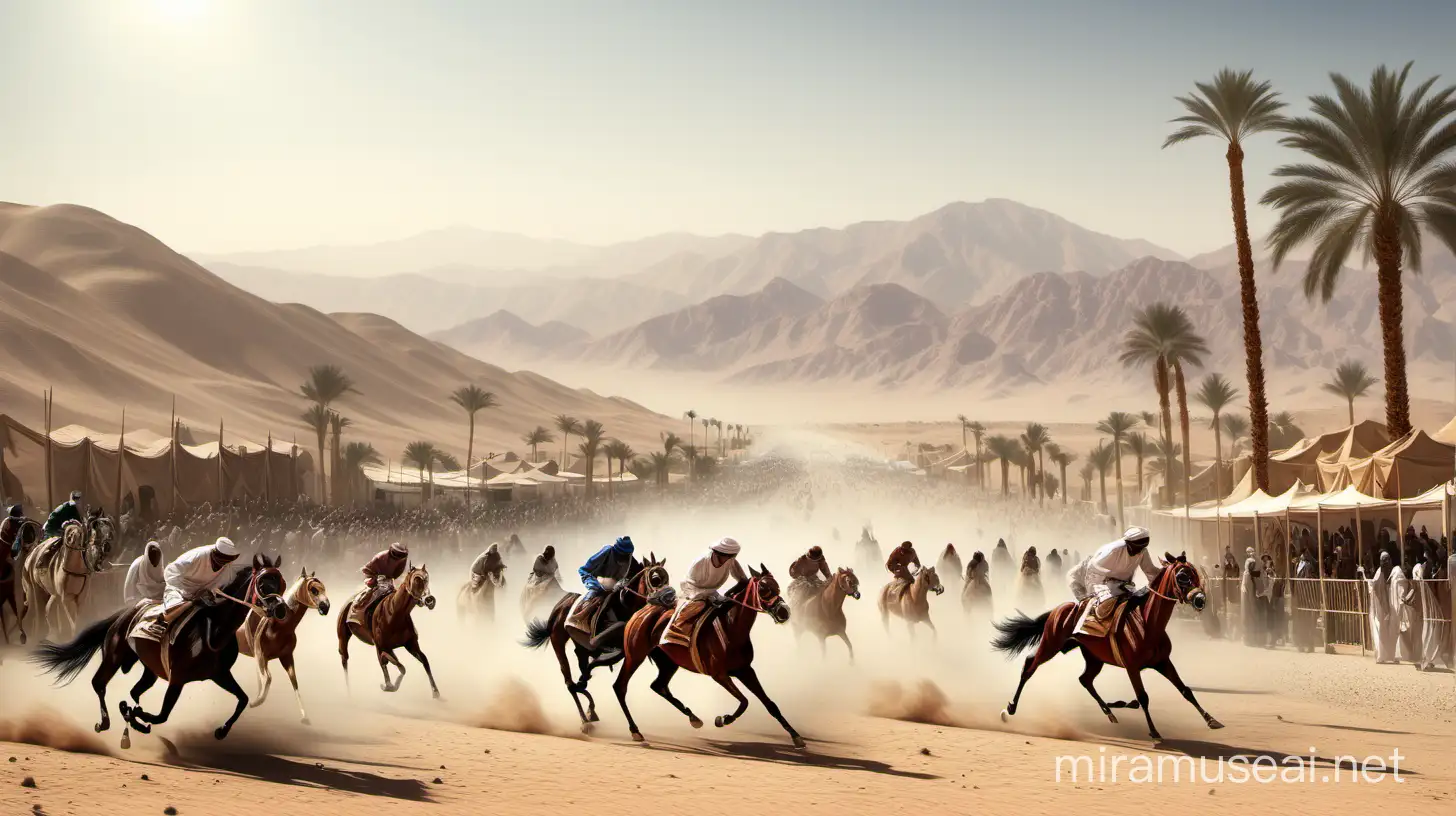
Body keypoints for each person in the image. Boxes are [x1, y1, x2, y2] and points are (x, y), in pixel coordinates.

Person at [139, 537, 240, 639]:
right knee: (175, 606)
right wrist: (188, 595)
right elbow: (171, 571)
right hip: (180, 588)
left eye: (226, 561)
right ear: (215, 554)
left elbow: (224, 582)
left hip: (204, 593)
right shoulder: (197, 556)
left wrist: (209, 592)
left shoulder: (227, 565)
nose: (223, 564)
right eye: (222, 560)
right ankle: (159, 623)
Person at [1070, 526, 1160, 636]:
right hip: (1103, 584)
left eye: (1142, 547)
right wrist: (1093, 593)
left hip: (1126, 586)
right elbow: (1093, 571)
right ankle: (1089, 629)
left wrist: (1166, 576)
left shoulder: (1142, 551)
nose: (1139, 551)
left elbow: (1150, 570)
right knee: (1104, 609)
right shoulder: (1113, 550)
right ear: (1128, 543)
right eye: (1137, 547)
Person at [666, 537, 749, 646]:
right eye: (728, 556)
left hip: (711, 593)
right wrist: (708, 595)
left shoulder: (730, 561)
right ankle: (677, 629)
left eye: (732, 556)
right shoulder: (701, 561)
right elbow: (689, 583)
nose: (730, 559)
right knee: (699, 605)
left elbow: (742, 580)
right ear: (719, 553)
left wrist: (731, 594)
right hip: (692, 590)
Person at [571, 536, 641, 656]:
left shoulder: (629, 557)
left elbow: (635, 573)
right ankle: (579, 618)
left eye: (626, 556)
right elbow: (585, 569)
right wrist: (596, 585)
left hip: (614, 586)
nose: (624, 559)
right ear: (616, 551)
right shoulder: (607, 551)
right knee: (596, 595)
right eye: (622, 555)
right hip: (596, 581)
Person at [350, 542, 408, 629]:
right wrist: (375, 578)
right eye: (397, 555)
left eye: (401, 556)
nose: (398, 558)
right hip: (373, 576)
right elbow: (367, 569)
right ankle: (360, 609)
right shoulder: (380, 557)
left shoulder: (403, 560)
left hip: (389, 579)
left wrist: (390, 579)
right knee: (375, 593)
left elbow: (398, 573)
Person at [1369, 551, 1399, 664]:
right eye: (1385, 560)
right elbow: (1377, 590)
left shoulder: (1389, 572)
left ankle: (1391, 655)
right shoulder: (1379, 574)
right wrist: (1384, 607)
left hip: (1388, 605)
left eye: (1388, 559)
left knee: (1391, 630)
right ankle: (1381, 656)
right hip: (1381, 607)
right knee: (1382, 630)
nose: (1387, 562)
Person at [123, 541, 165, 605]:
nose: (155, 562)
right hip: (140, 601)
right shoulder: (137, 566)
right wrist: (142, 602)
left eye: (157, 557)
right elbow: (128, 596)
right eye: (153, 557)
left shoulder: (160, 566)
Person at [962, 551, 992, 616]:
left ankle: (967, 613)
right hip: (978, 582)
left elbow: (968, 574)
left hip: (973, 582)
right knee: (988, 593)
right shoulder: (983, 563)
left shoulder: (972, 563)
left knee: (964, 596)